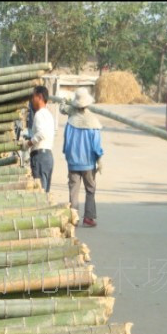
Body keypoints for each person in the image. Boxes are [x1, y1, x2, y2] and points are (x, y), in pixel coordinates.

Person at [60, 87, 104, 228]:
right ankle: (89, 218)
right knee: (90, 189)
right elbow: (96, 146)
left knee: (74, 190)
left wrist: (68, 156)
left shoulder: (71, 121)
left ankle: (74, 218)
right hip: (88, 164)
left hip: (73, 162)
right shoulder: (93, 122)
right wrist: (99, 159)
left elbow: (66, 142)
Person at [23, 86, 55, 192]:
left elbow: (42, 134)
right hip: (48, 156)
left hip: (40, 156)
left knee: (40, 192)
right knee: (45, 192)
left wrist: (28, 143)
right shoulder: (49, 115)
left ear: (40, 97)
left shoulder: (39, 114)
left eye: (33, 97)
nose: (32, 100)